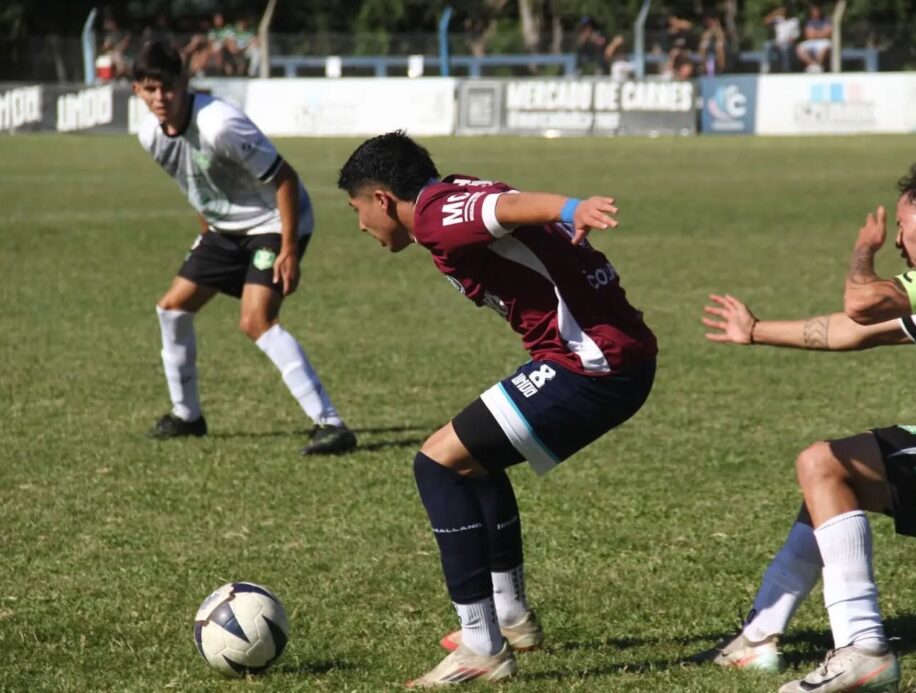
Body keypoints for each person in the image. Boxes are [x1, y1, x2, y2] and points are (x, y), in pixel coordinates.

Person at [337, 132, 658, 686]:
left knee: (435, 463)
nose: (360, 224)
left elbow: (505, 207)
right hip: (608, 357)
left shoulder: (437, 213)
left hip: (593, 364)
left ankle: (481, 646)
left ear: (383, 199)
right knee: (471, 456)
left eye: (358, 209)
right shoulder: (450, 193)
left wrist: (570, 207)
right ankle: (509, 618)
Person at [694, 161, 916, 693]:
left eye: (902, 224)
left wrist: (863, 251)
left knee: (822, 462)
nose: (898, 238)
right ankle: (759, 637)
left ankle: (864, 650)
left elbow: (862, 301)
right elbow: (853, 330)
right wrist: (754, 331)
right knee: (829, 483)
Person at [131, 41, 356, 456]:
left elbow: (285, 179)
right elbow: (196, 184)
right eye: (149, 89)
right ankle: (187, 416)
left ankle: (331, 425)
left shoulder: (220, 124)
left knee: (255, 320)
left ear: (183, 83)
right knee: (172, 309)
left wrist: (289, 247)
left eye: (167, 87)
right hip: (224, 229)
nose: (160, 98)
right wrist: (208, 234)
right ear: (137, 92)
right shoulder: (150, 135)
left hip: (275, 222)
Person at [763, 4, 800, 73]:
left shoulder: (794, 21)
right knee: (767, 45)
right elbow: (766, 21)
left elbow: (795, 37)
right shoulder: (777, 19)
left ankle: (786, 70)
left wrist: (789, 41)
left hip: (788, 43)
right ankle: (767, 66)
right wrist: (776, 12)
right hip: (777, 42)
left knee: (786, 48)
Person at [796, 4, 833, 73]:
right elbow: (809, 35)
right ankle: (815, 65)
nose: (816, 12)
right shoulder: (809, 21)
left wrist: (815, 33)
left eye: (817, 11)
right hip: (811, 41)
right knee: (800, 48)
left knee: (823, 48)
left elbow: (828, 33)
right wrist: (821, 32)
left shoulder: (826, 20)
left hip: (824, 41)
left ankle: (818, 66)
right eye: (814, 11)